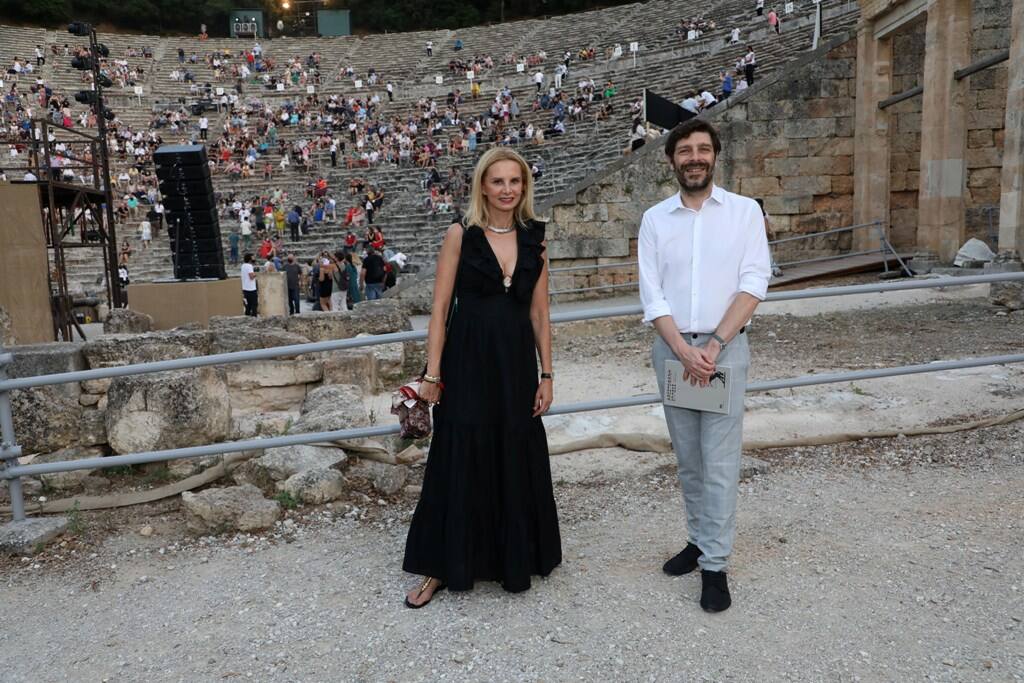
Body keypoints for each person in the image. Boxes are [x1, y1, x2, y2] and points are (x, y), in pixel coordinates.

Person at [403, 147, 560, 608]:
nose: (507, 190)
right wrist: (432, 373)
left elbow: (540, 314)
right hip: (466, 361)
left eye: (515, 181)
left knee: (513, 450)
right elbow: (438, 311)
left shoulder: (535, 239)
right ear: (483, 187)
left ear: (524, 186)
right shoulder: (460, 234)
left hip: (516, 365)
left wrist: (547, 374)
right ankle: (440, 566)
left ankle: (514, 558)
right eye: (498, 181)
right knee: (458, 456)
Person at [638, 119, 770, 613]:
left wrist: (713, 346)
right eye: (684, 151)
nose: (694, 158)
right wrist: (682, 349)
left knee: (719, 461)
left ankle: (715, 565)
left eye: (702, 149)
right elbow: (652, 293)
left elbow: (754, 281)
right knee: (689, 458)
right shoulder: (655, 219)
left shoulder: (744, 212)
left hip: (724, 350)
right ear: (671, 159)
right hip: (673, 351)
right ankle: (697, 540)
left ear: (715, 155)